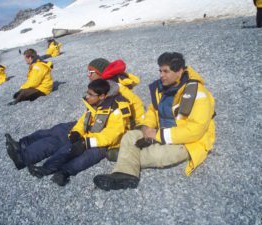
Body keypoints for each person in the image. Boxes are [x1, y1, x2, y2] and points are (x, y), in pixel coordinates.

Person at [93, 52, 216, 191]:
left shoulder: (198, 94)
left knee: (156, 155)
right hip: (160, 132)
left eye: (166, 71)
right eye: (160, 70)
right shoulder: (162, 88)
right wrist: (146, 127)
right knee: (130, 136)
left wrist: (157, 135)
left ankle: (123, 157)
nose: (161, 75)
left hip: (187, 142)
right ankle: (126, 175)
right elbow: (153, 110)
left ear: (180, 71)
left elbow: (195, 131)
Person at [6, 79, 131, 186]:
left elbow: (111, 136)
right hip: (90, 133)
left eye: (90, 94)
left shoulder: (116, 111)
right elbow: (84, 120)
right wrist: (76, 132)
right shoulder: (96, 103)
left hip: (106, 143)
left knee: (87, 156)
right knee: (66, 141)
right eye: (87, 92)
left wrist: (86, 142)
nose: (86, 96)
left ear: (102, 96)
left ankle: (62, 171)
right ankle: (33, 160)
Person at [87, 58, 145, 128]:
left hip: (119, 127)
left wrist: (142, 125)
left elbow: (136, 104)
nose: (88, 75)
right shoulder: (96, 88)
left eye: (91, 72)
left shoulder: (117, 88)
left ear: (100, 73)